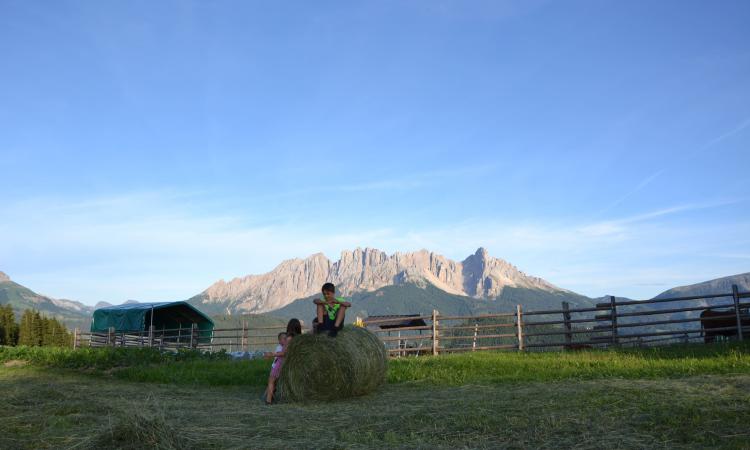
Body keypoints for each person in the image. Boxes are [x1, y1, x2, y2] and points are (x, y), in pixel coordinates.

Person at [264, 319, 301, 405]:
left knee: (271, 380)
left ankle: (268, 400)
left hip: (281, 362)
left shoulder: (289, 338)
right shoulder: (299, 338)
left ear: (289, 327)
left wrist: (272, 354)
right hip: (291, 362)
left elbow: (284, 353)